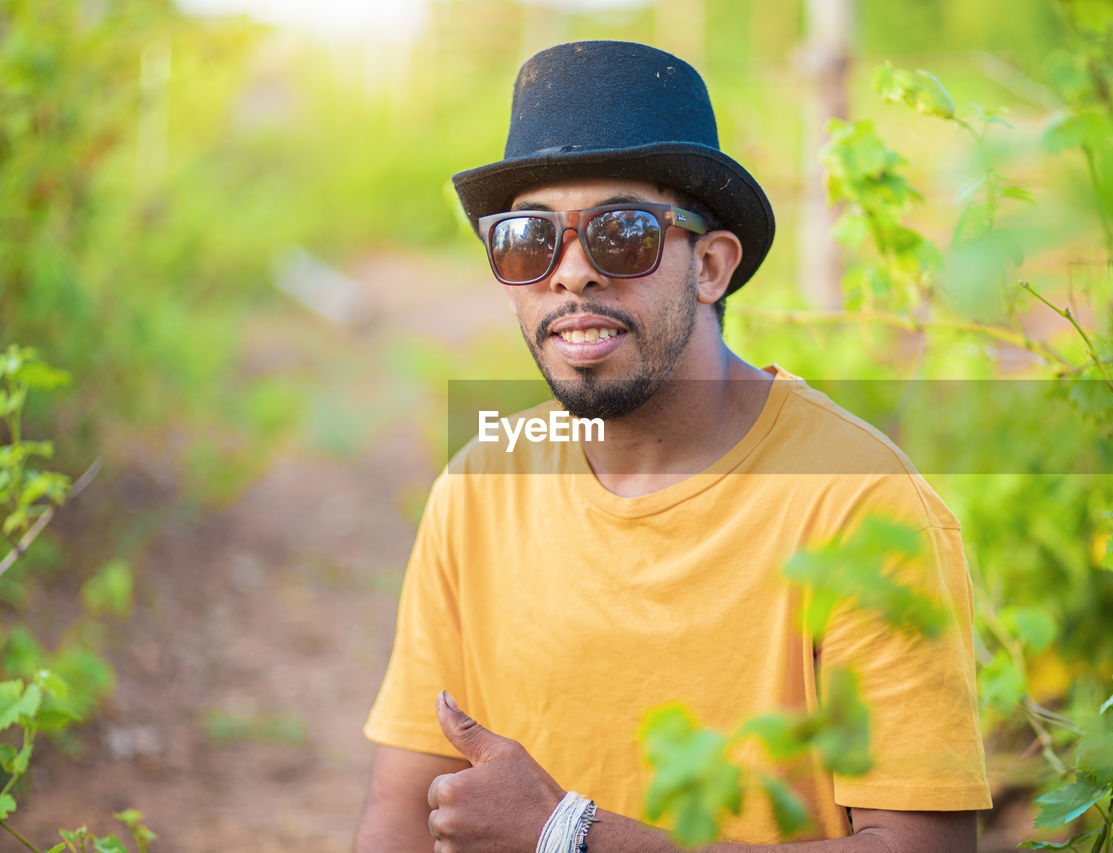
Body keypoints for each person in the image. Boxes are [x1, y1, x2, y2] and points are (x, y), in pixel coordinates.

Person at [356, 40, 991, 853]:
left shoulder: (859, 502)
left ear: (712, 267)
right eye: (528, 239)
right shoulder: (480, 484)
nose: (572, 273)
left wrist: (570, 835)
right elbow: (401, 807)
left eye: (622, 234)